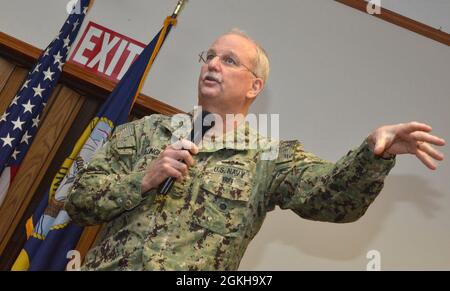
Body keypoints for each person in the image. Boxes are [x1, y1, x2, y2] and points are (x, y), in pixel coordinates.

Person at [65, 29, 446, 271]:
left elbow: (331, 198)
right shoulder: (144, 133)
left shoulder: (268, 156)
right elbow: (78, 201)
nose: (212, 64)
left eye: (229, 60)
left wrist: (373, 153)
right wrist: (144, 179)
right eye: (209, 56)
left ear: (254, 87)